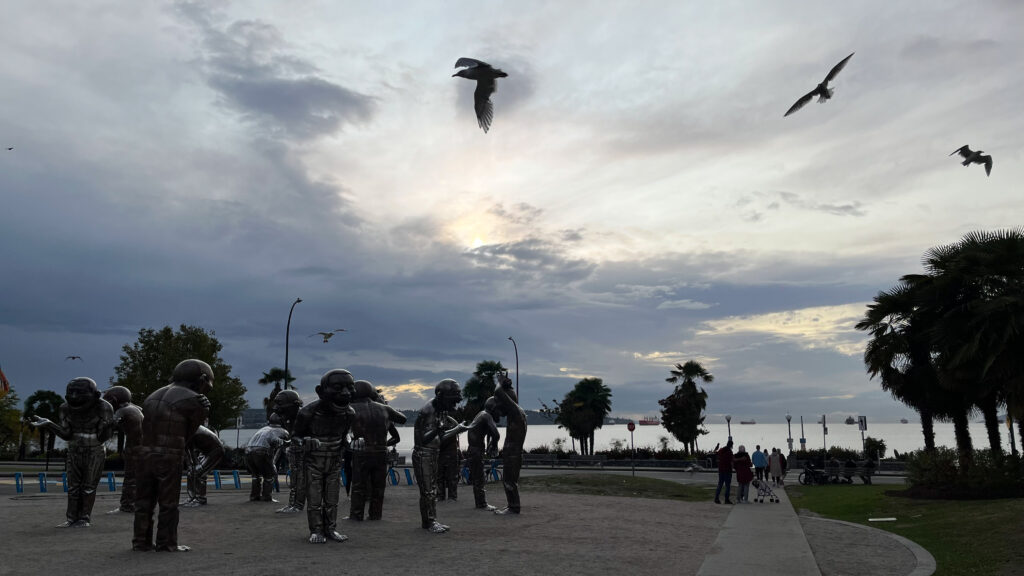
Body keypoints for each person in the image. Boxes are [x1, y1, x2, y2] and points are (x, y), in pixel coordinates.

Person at [132, 359, 215, 551]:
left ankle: (140, 541)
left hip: (144, 454)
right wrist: (204, 409)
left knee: (143, 502)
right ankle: (166, 543)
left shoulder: (152, 396)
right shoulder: (196, 400)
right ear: (202, 379)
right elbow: (189, 434)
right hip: (169, 455)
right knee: (168, 503)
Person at [30, 377, 114, 527]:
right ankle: (71, 518)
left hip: (94, 450)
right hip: (74, 450)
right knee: (73, 486)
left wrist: (108, 427)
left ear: (96, 395)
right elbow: (67, 435)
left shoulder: (103, 407)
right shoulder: (65, 408)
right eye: (71, 393)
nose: (74, 397)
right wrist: (49, 424)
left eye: (80, 393)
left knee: (88, 487)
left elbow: (102, 438)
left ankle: (84, 518)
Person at [292, 369, 356, 544]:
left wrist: (353, 442)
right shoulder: (308, 412)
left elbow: (345, 437)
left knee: (332, 499)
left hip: (334, 461)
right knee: (314, 499)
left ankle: (331, 529)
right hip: (313, 462)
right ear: (320, 391)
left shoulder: (349, 413)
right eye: (337, 387)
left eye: (350, 388)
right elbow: (295, 437)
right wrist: (305, 440)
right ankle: (316, 530)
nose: (345, 393)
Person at [413, 379, 468, 533]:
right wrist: (438, 429)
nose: (458, 399)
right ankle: (430, 523)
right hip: (423, 454)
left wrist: (456, 429)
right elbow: (423, 440)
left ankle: (431, 521)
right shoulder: (428, 410)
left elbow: (439, 437)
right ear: (440, 395)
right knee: (428, 491)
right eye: (454, 395)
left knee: (431, 489)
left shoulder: (441, 409)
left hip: (433, 453)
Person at [347, 379, 407, 521]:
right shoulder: (384, 408)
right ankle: (375, 514)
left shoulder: (350, 408)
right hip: (381, 452)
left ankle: (356, 515)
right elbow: (403, 419)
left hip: (362, 452)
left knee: (358, 486)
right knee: (378, 486)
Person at [102, 385, 143, 514]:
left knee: (130, 478)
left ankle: (127, 506)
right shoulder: (137, 408)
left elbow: (110, 424)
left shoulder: (122, 411)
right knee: (138, 478)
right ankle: (138, 503)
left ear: (114, 400)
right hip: (145, 447)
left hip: (134, 449)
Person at [493, 371, 526, 515]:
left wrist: (499, 381)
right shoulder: (517, 413)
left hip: (513, 453)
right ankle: (512, 505)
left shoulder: (515, 412)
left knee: (509, 481)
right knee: (510, 480)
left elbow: (499, 392)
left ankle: (513, 507)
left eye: (499, 406)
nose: (498, 410)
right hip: (513, 452)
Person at [269, 389, 305, 514]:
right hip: (294, 452)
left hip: (304, 454)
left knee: (300, 479)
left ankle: (298, 505)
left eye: (280, 404)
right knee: (294, 479)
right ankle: (292, 504)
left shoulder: (304, 417)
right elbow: (293, 436)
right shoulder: (287, 418)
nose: (276, 408)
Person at [246, 414, 290, 502]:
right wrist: (292, 441)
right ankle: (266, 496)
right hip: (262, 451)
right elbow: (281, 444)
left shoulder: (263, 429)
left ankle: (254, 496)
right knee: (270, 474)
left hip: (248, 451)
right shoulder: (283, 431)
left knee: (256, 475)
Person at [466, 397, 500, 510]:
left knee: (478, 477)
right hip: (476, 451)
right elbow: (496, 434)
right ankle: (481, 504)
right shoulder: (486, 415)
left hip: (474, 450)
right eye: (498, 410)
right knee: (479, 478)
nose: (499, 413)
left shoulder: (481, 414)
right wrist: (494, 445)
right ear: (493, 408)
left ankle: (480, 502)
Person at [436, 412, 461, 502]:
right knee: (439, 477)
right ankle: (440, 495)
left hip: (451, 455)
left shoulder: (453, 430)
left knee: (452, 477)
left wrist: (447, 416)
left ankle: (452, 496)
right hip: (441, 455)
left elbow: (456, 425)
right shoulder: (439, 431)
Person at [714, 440, 734, 504]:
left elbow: (715, 453)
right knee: (727, 486)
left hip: (721, 470)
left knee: (720, 484)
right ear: (731, 445)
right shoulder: (730, 452)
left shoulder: (721, 450)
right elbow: (731, 461)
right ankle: (726, 499)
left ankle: (716, 498)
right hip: (727, 470)